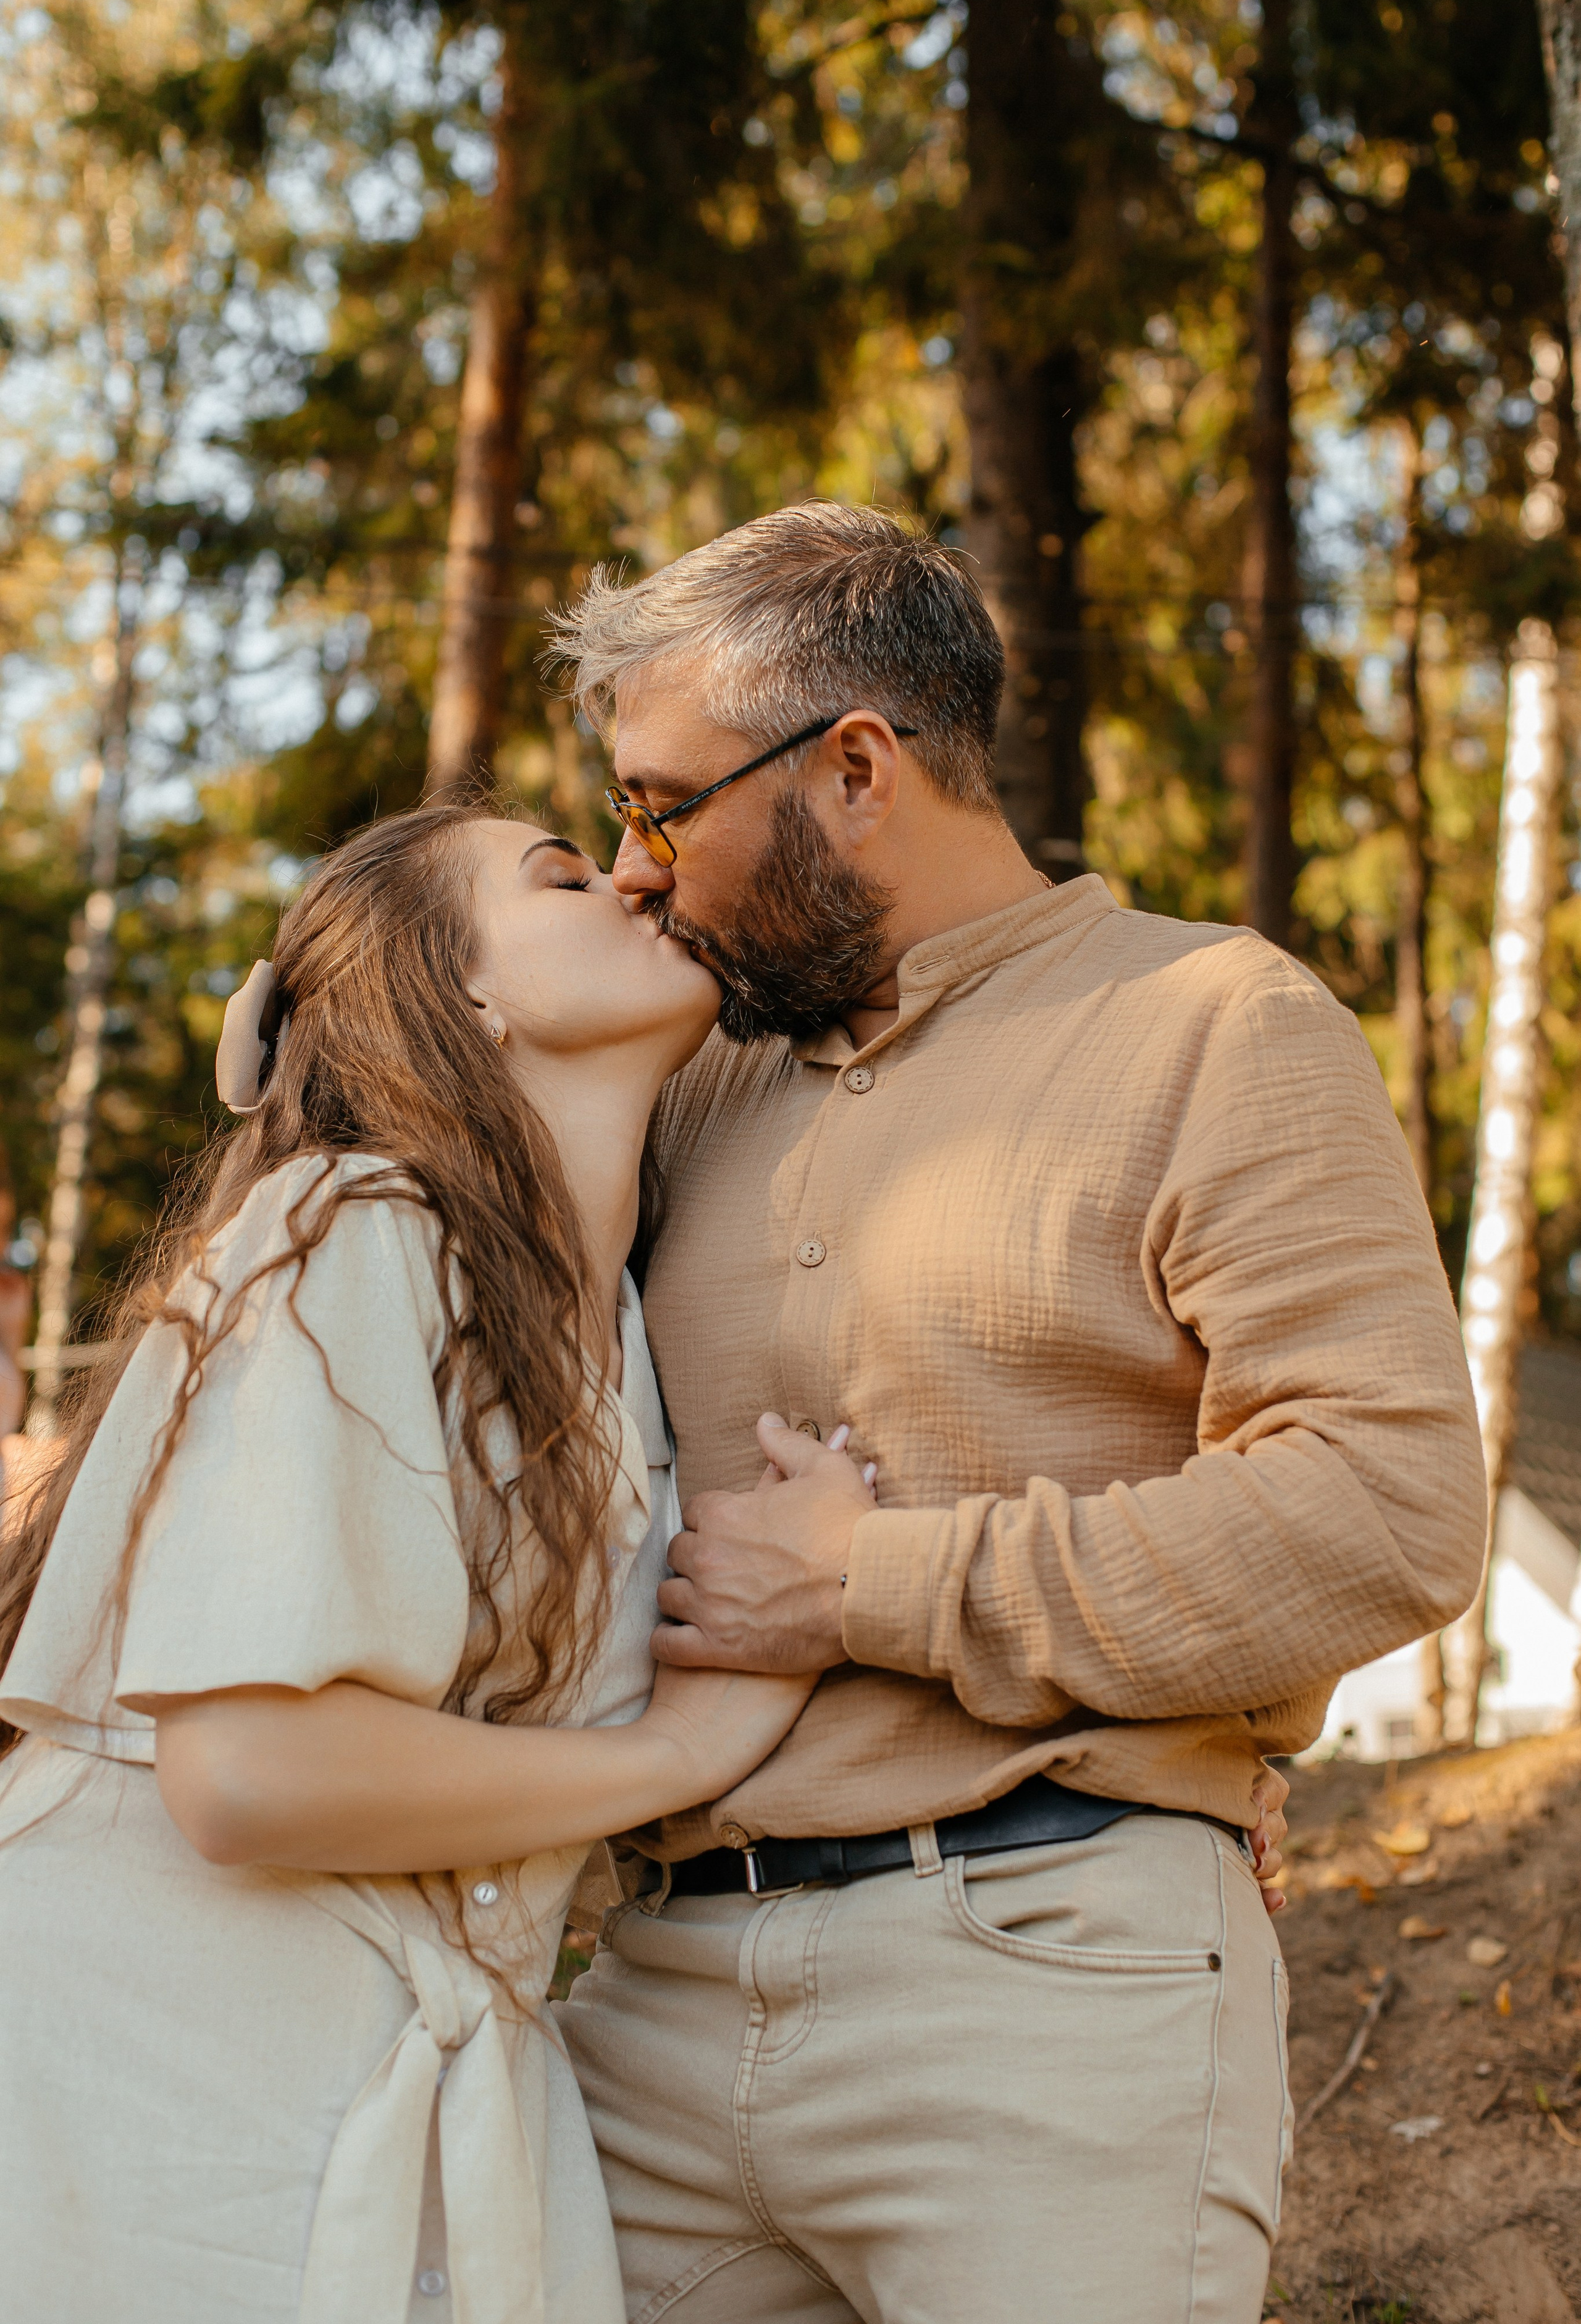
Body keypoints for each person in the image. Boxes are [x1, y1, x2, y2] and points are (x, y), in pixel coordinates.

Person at [550, 503, 1488, 2324]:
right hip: (646, 1996)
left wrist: (872, 1587)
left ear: (853, 768)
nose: (635, 865)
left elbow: (1389, 1508)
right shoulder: (679, 1086)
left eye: (663, 802)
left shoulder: (1218, 1023)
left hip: (1050, 1973)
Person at [0, 798, 830, 2324]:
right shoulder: (354, 1226)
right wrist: (676, 1750)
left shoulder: (616, 1337)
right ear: (462, 994)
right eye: (566, 874)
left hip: (369, 2070)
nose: (645, 867)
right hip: (148, 2080)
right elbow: (249, 1773)